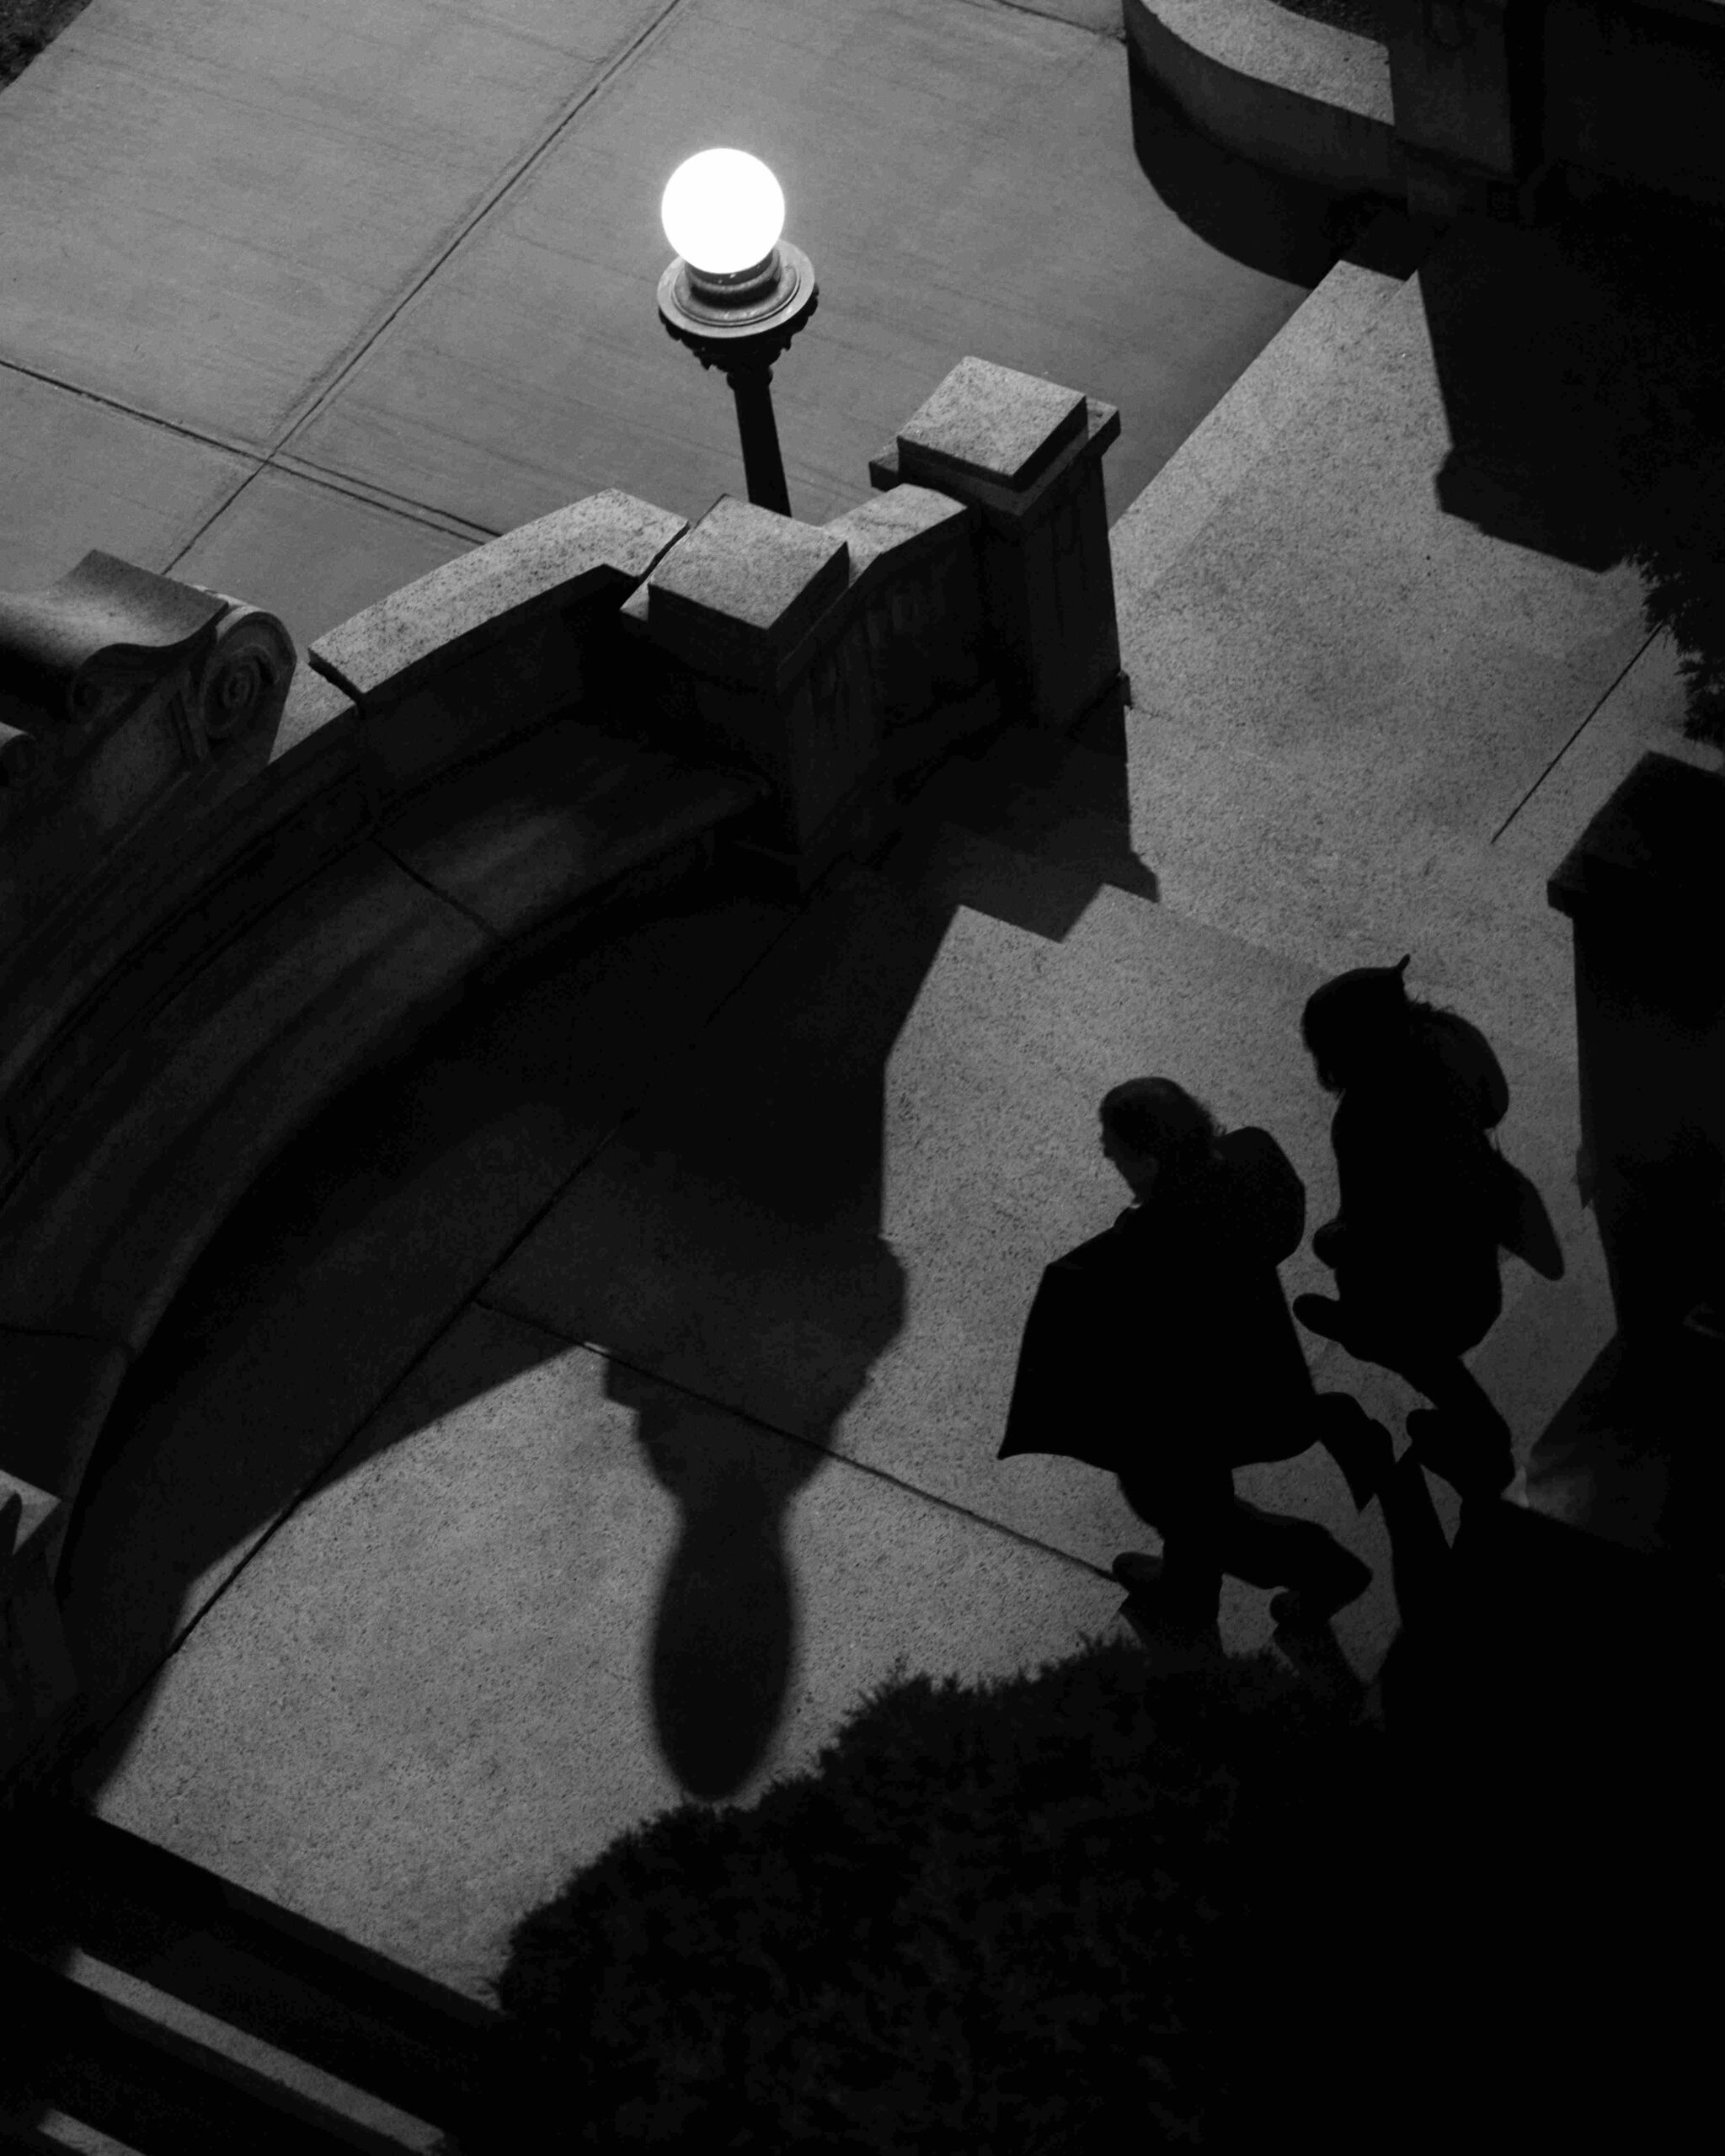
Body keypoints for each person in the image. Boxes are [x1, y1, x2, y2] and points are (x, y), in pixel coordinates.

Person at [999, 1077, 1376, 1637]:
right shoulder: (1248, 1161)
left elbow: (1092, 1330)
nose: (1104, 1151)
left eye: (1113, 1144)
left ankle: (1316, 1570)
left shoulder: (1142, 1250)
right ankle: (1187, 1589)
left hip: (1198, 1408)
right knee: (1191, 1504)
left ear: (1149, 1161)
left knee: (1177, 1502)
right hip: (1262, 1373)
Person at [1293, 957, 1516, 1499]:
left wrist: (1327, 1241)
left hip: (1424, 1297)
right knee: (1419, 1344)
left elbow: (1371, 1228)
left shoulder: (1363, 1120)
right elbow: (1495, 1105)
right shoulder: (1451, 1039)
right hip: (1477, 1264)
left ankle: (1481, 1428)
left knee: (1398, 1342)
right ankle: (1467, 1420)